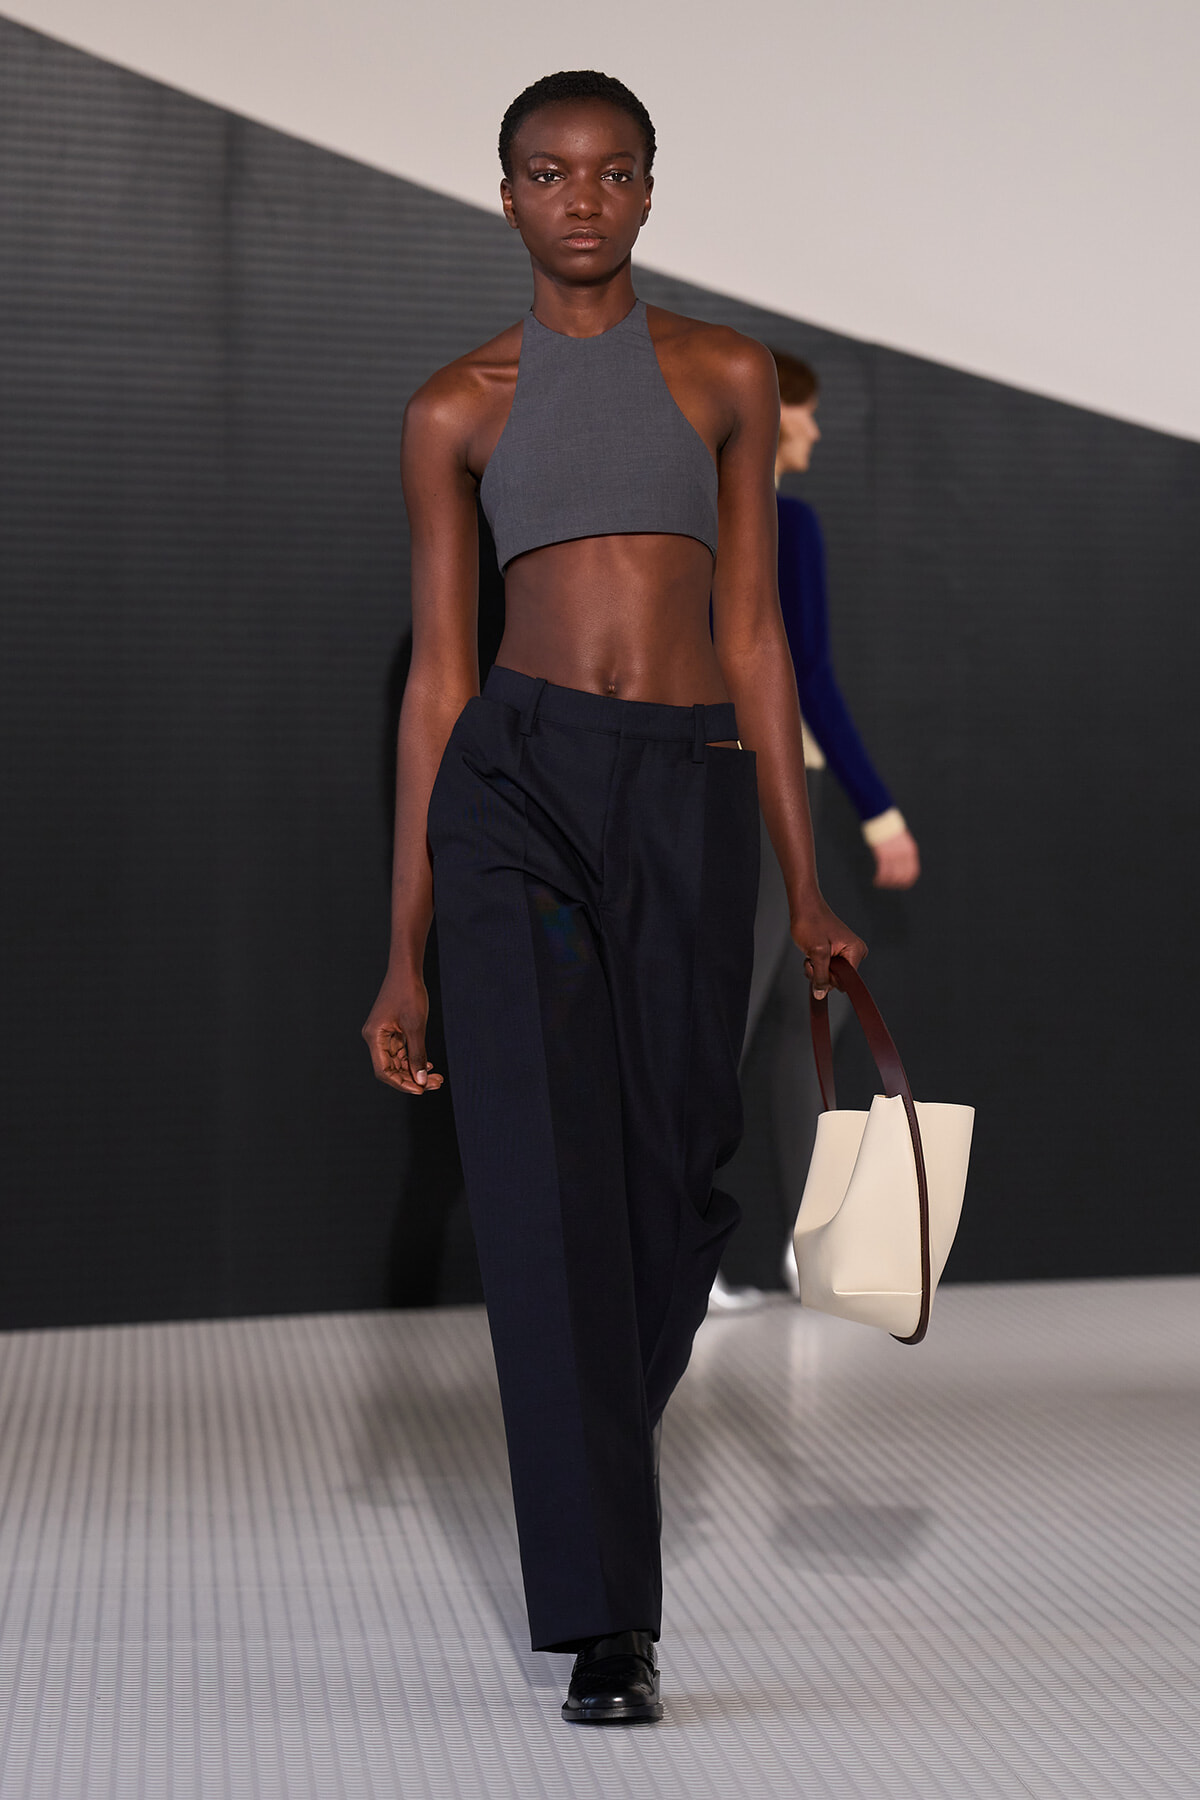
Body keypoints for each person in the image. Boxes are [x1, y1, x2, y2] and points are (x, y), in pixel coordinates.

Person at [361, 69, 866, 1726]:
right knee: (536, 1186)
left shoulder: (718, 377)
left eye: (611, 171)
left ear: (650, 193)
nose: (580, 196)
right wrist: (402, 950)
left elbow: (756, 641)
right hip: (514, 787)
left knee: (673, 1174)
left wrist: (807, 887)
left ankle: (583, 1432)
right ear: (503, 195)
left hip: (683, 785)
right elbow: (439, 680)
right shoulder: (459, 408)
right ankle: (607, 1625)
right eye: (545, 172)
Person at [711, 351, 920, 1309]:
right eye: (805, 412)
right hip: (771, 782)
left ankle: (807, 1246)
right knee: (738, 1017)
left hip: (722, 778)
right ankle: (687, 1255)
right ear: (773, 414)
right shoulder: (782, 522)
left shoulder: (699, 520)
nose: (815, 430)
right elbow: (811, 679)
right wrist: (881, 813)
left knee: (803, 1013)